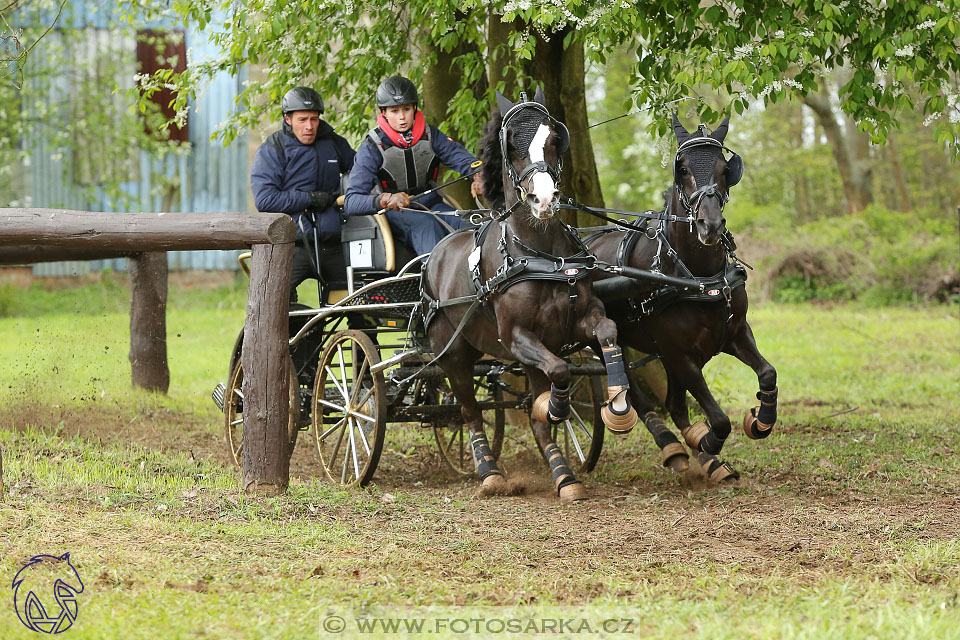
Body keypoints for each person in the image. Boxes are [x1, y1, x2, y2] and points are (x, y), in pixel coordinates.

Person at [344, 75, 482, 256]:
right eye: (394, 111)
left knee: (475, 223)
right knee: (427, 226)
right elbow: (351, 201)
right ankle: (435, 283)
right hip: (396, 213)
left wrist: (479, 174)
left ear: (414, 108)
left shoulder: (431, 135)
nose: (402, 117)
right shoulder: (372, 146)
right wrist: (385, 199)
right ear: (383, 112)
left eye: (406, 109)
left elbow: (463, 160)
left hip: (433, 206)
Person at [250, 86, 356, 303]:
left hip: (334, 244)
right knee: (274, 303)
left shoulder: (335, 144)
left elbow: (361, 170)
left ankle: (361, 334)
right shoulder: (272, 149)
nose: (309, 126)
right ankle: (300, 333)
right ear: (287, 119)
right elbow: (265, 200)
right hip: (291, 246)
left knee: (360, 302)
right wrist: (310, 198)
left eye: (314, 119)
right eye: (302, 119)